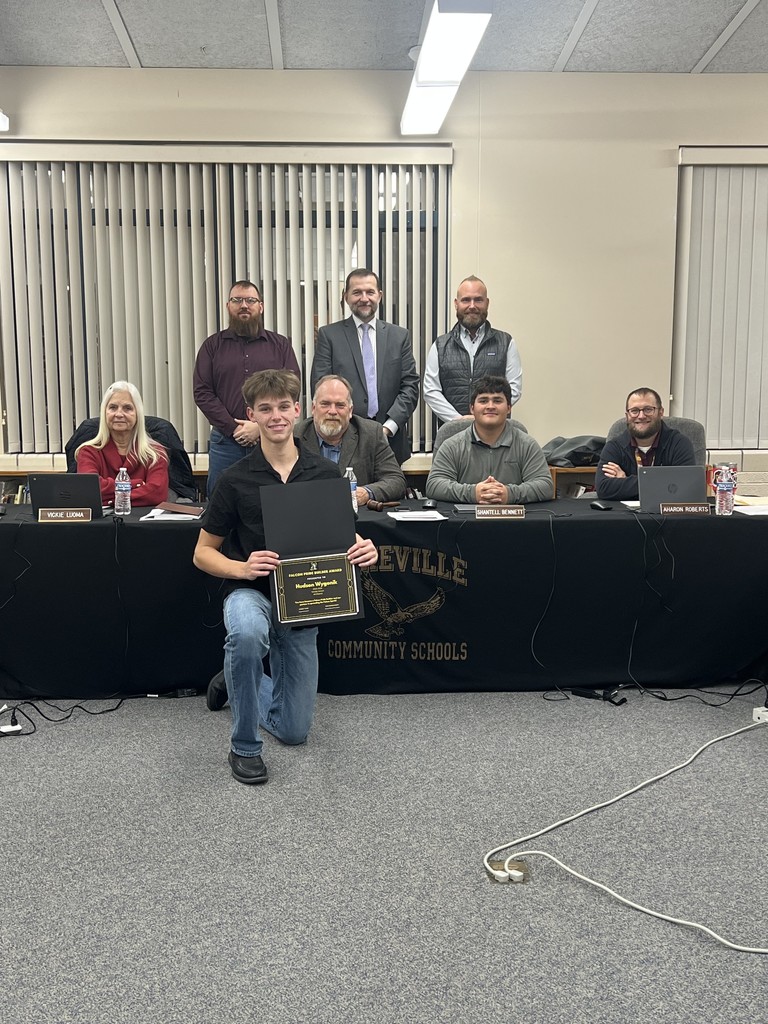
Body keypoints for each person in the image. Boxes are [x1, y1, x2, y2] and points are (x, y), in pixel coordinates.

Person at [193, 369, 377, 786]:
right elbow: (202, 553)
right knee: (245, 635)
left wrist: (366, 547)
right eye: (265, 409)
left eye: (282, 407)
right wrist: (241, 568)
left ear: (298, 410)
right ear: (251, 415)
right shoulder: (234, 480)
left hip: (302, 603)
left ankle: (236, 676)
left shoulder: (327, 477)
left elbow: (341, 539)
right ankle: (244, 747)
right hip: (250, 592)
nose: (275, 416)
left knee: (293, 733)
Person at [193, 280, 301, 494]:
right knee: (222, 503)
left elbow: (292, 387)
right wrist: (235, 428)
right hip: (226, 442)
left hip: (271, 441)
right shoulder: (212, 346)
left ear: (260, 306)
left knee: (273, 501)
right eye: (237, 300)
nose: (244, 305)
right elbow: (202, 392)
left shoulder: (279, 345)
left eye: (250, 300)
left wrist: (258, 427)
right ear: (228, 306)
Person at [311, 269, 419, 465]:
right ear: (346, 297)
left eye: (370, 292)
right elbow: (320, 386)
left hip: (391, 441)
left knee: (388, 493)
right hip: (342, 440)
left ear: (380, 295)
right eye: (356, 292)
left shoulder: (399, 336)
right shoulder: (329, 335)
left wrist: (388, 427)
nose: (364, 298)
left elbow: (410, 387)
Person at [426, 376, 553, 505]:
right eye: (483, 401)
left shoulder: (527, 445)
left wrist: (508, 494)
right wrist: (473, 493)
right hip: (465, 522)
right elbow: (434, 485)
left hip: (514, 522)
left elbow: (545, 486)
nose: (490, 406)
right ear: (472, 408)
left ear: (509, 408)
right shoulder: (452, 446)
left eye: (497, 401)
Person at [423, 275, 522, 423]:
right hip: (452, 433)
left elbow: (514, 388)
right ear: (456, 304)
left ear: (487, 303)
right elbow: (431, 391)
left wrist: (486, 415)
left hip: (494, 432)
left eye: (478, 300)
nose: (472, 306)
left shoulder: (506, 342)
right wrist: (459, 420)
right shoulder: (440, 345)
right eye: (466, 300)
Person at [295, 375, 406, 506]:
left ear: (350, 411)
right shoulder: (295, 436)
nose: (332, 411)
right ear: (313, 408)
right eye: (325, 404)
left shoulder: (371, 433)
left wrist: (367, 492)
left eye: (340, 405)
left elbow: (396, 480)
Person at [76, 381, 169, 507]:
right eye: (113, 407)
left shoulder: (155, 453)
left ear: (138, 414)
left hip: (143, 524)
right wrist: (136, 484)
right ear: (104, 413)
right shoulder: (88, 452)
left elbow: (156, 493)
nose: (119, 414)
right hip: (102, 526)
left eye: (127, 408)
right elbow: (89, 489)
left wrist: (111, 501)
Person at [595, 387, 695, 501]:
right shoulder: (614, 447)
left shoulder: (679, 444)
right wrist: (663, 483)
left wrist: (625, 481)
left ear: (661, 412)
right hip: (626, 517)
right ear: (627, 415)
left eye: (648, 409)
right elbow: (603, 488)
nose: (641, 416)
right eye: (634, 411)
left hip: (668, 516)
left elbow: (685, 486)